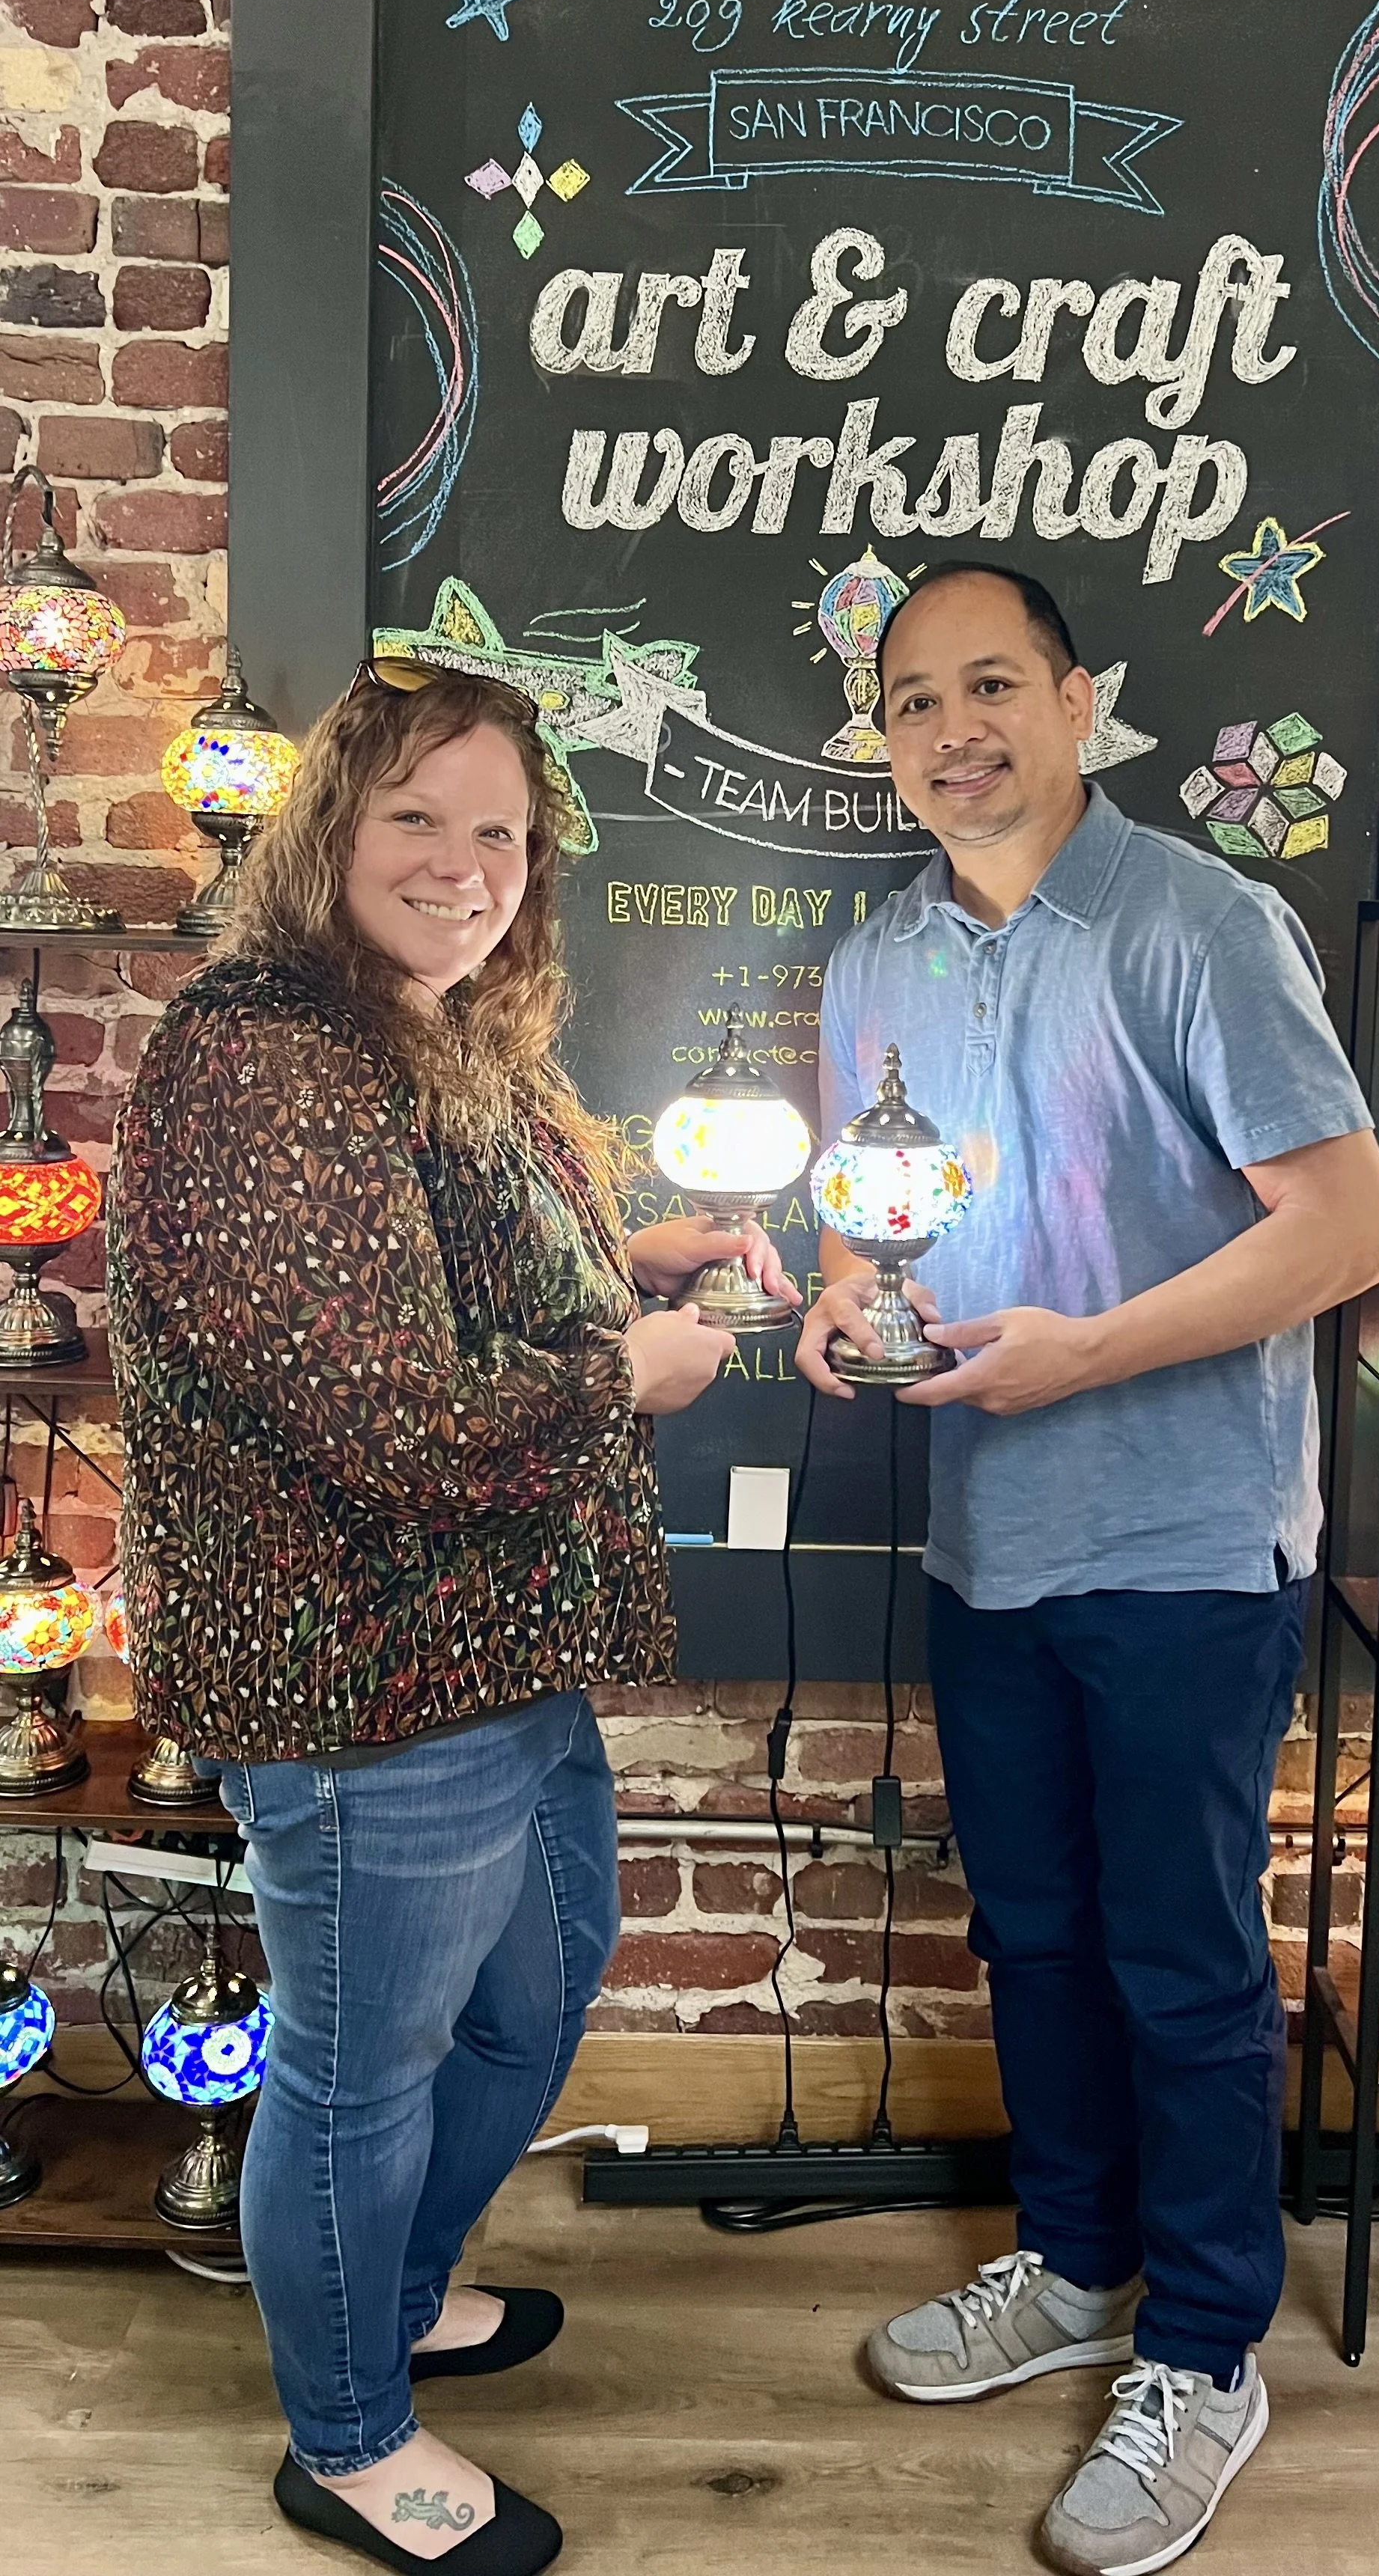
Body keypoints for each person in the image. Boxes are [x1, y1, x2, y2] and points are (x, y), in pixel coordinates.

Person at [109, 668, 794, 2576]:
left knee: (538, 1984)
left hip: (497, 1642)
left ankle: (391, 2292)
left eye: (502, 830)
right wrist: (631, 1371)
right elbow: (386, 1404)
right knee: (359, 2065)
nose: (466, 863)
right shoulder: (264, 1050)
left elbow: (449, 1272)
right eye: (422, 814)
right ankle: (344, 2437)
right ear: (334, 822)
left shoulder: (427, 1034)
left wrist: (625, 1256)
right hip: (359, 1669)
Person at [797, 565, 1379, 2576]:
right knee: (1038, 1939)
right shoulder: (873, 963)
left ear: (1076, 704)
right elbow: (876, 1223)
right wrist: (839, 1303)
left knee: (1180, 1961)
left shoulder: (1195, 924)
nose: (949, 731)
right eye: (908, 704)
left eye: (989, 687)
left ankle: (1206, 2347)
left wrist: (1082, 1352)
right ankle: (1068, 2264)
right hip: (990, 1543)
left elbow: (1344, 1231)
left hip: (1184, 1543)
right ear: (879, 741)